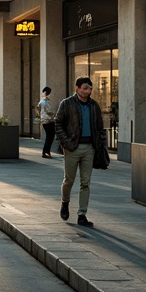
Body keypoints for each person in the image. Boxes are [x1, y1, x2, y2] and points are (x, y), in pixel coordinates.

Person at [55, 76, 107, 228]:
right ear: (77, 88)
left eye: (90, 88)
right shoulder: (67, 104)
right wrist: (66, 142)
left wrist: (99, 145)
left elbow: (99, 127)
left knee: (85, 183)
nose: (88, 91)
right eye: (85, 88)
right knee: (69, 180)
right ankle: (65, 202)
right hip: (72, 148)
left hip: (89, 148)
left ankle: (82, 214)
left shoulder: (94, 106)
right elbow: (58, 123)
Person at [37, 86, 57, 158]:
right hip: (49, 121)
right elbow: (49, 111)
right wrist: (54, 115)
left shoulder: (41, 101)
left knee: (49, 136)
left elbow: (38, 107)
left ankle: (46, 151)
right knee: (50, 136)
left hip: (44, 120)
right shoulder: (46, 102)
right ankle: (46, 151)